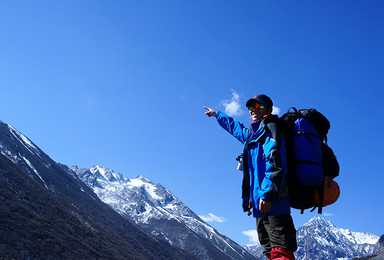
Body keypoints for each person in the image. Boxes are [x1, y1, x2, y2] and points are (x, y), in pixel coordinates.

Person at [204, 94, 297, 260]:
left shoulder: (271, 129)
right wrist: (217, 114)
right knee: (269, 251)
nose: (253, 109)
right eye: (251, 107)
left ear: (268, 109)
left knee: (280, 251)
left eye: (258, 106)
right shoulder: (253, 136)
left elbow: (275, 163)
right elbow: (235, 128)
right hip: (259, 204)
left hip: (272, 200)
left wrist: (267, 194)